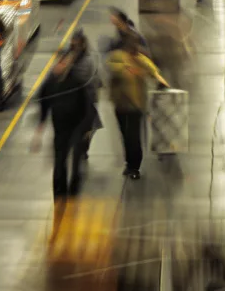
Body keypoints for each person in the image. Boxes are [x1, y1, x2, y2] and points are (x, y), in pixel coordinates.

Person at [33, 30, 101, 199]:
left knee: (76, 157)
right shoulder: (51, 82)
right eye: (59, 63)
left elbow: (86, 106)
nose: (59, 66)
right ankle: (59, 190)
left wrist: (86, 128)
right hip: (60, 126)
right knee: (60, 158)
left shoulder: (77, 83)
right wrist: (40, 127)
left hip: (76, 126)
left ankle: (74, 186)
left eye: (63, 63)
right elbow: (44, 101)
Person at [107, 31, 169, 179]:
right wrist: (128, 69)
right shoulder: (117, 57)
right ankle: (129, 164)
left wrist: (162, 83)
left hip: (136, 105)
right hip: (120, 104)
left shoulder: (141, 60)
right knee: (125, 135)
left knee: (133, 137)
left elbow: (154, 72)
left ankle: (134, 167)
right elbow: (112, 68)